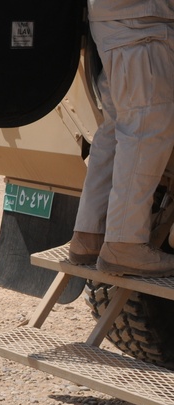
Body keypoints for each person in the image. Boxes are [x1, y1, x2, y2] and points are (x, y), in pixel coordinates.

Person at [67, 0, 174, 276]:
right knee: (145, 133)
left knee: (117, 130)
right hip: (140, 26)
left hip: (120, 25)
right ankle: (125, 244)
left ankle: (90, 234)